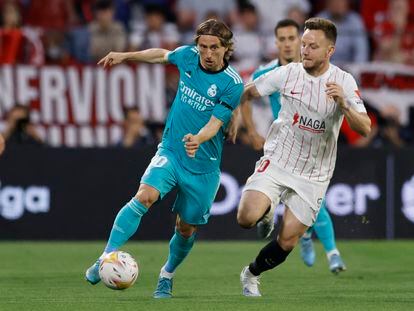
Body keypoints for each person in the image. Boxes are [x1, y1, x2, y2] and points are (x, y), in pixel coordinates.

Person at [85, 19, 244, 298]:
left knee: (186, 228)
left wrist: (199, 139)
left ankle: (166, 274)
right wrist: (125, 55)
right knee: (144, 196)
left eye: (214, 48)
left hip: (203, 166)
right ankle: (104, 258)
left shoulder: (232, 84)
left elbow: (215, 125)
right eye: (203, 46)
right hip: (171, 150)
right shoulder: (188, 57)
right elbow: (160, 54)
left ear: (226, 48)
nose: (207, 53)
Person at [237, 17, 371, 297]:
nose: (305, 50)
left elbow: (365, 127)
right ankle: (266, 211)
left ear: (330, 51)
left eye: (313, 46)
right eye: (304, 44)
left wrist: (344, 104)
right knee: (246, 218)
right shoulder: (287, 73)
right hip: (279, 160)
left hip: (314, 174)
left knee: (286, 241)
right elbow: (246, 93)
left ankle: (251, 274)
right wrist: (239, 123)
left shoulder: (343, 81)